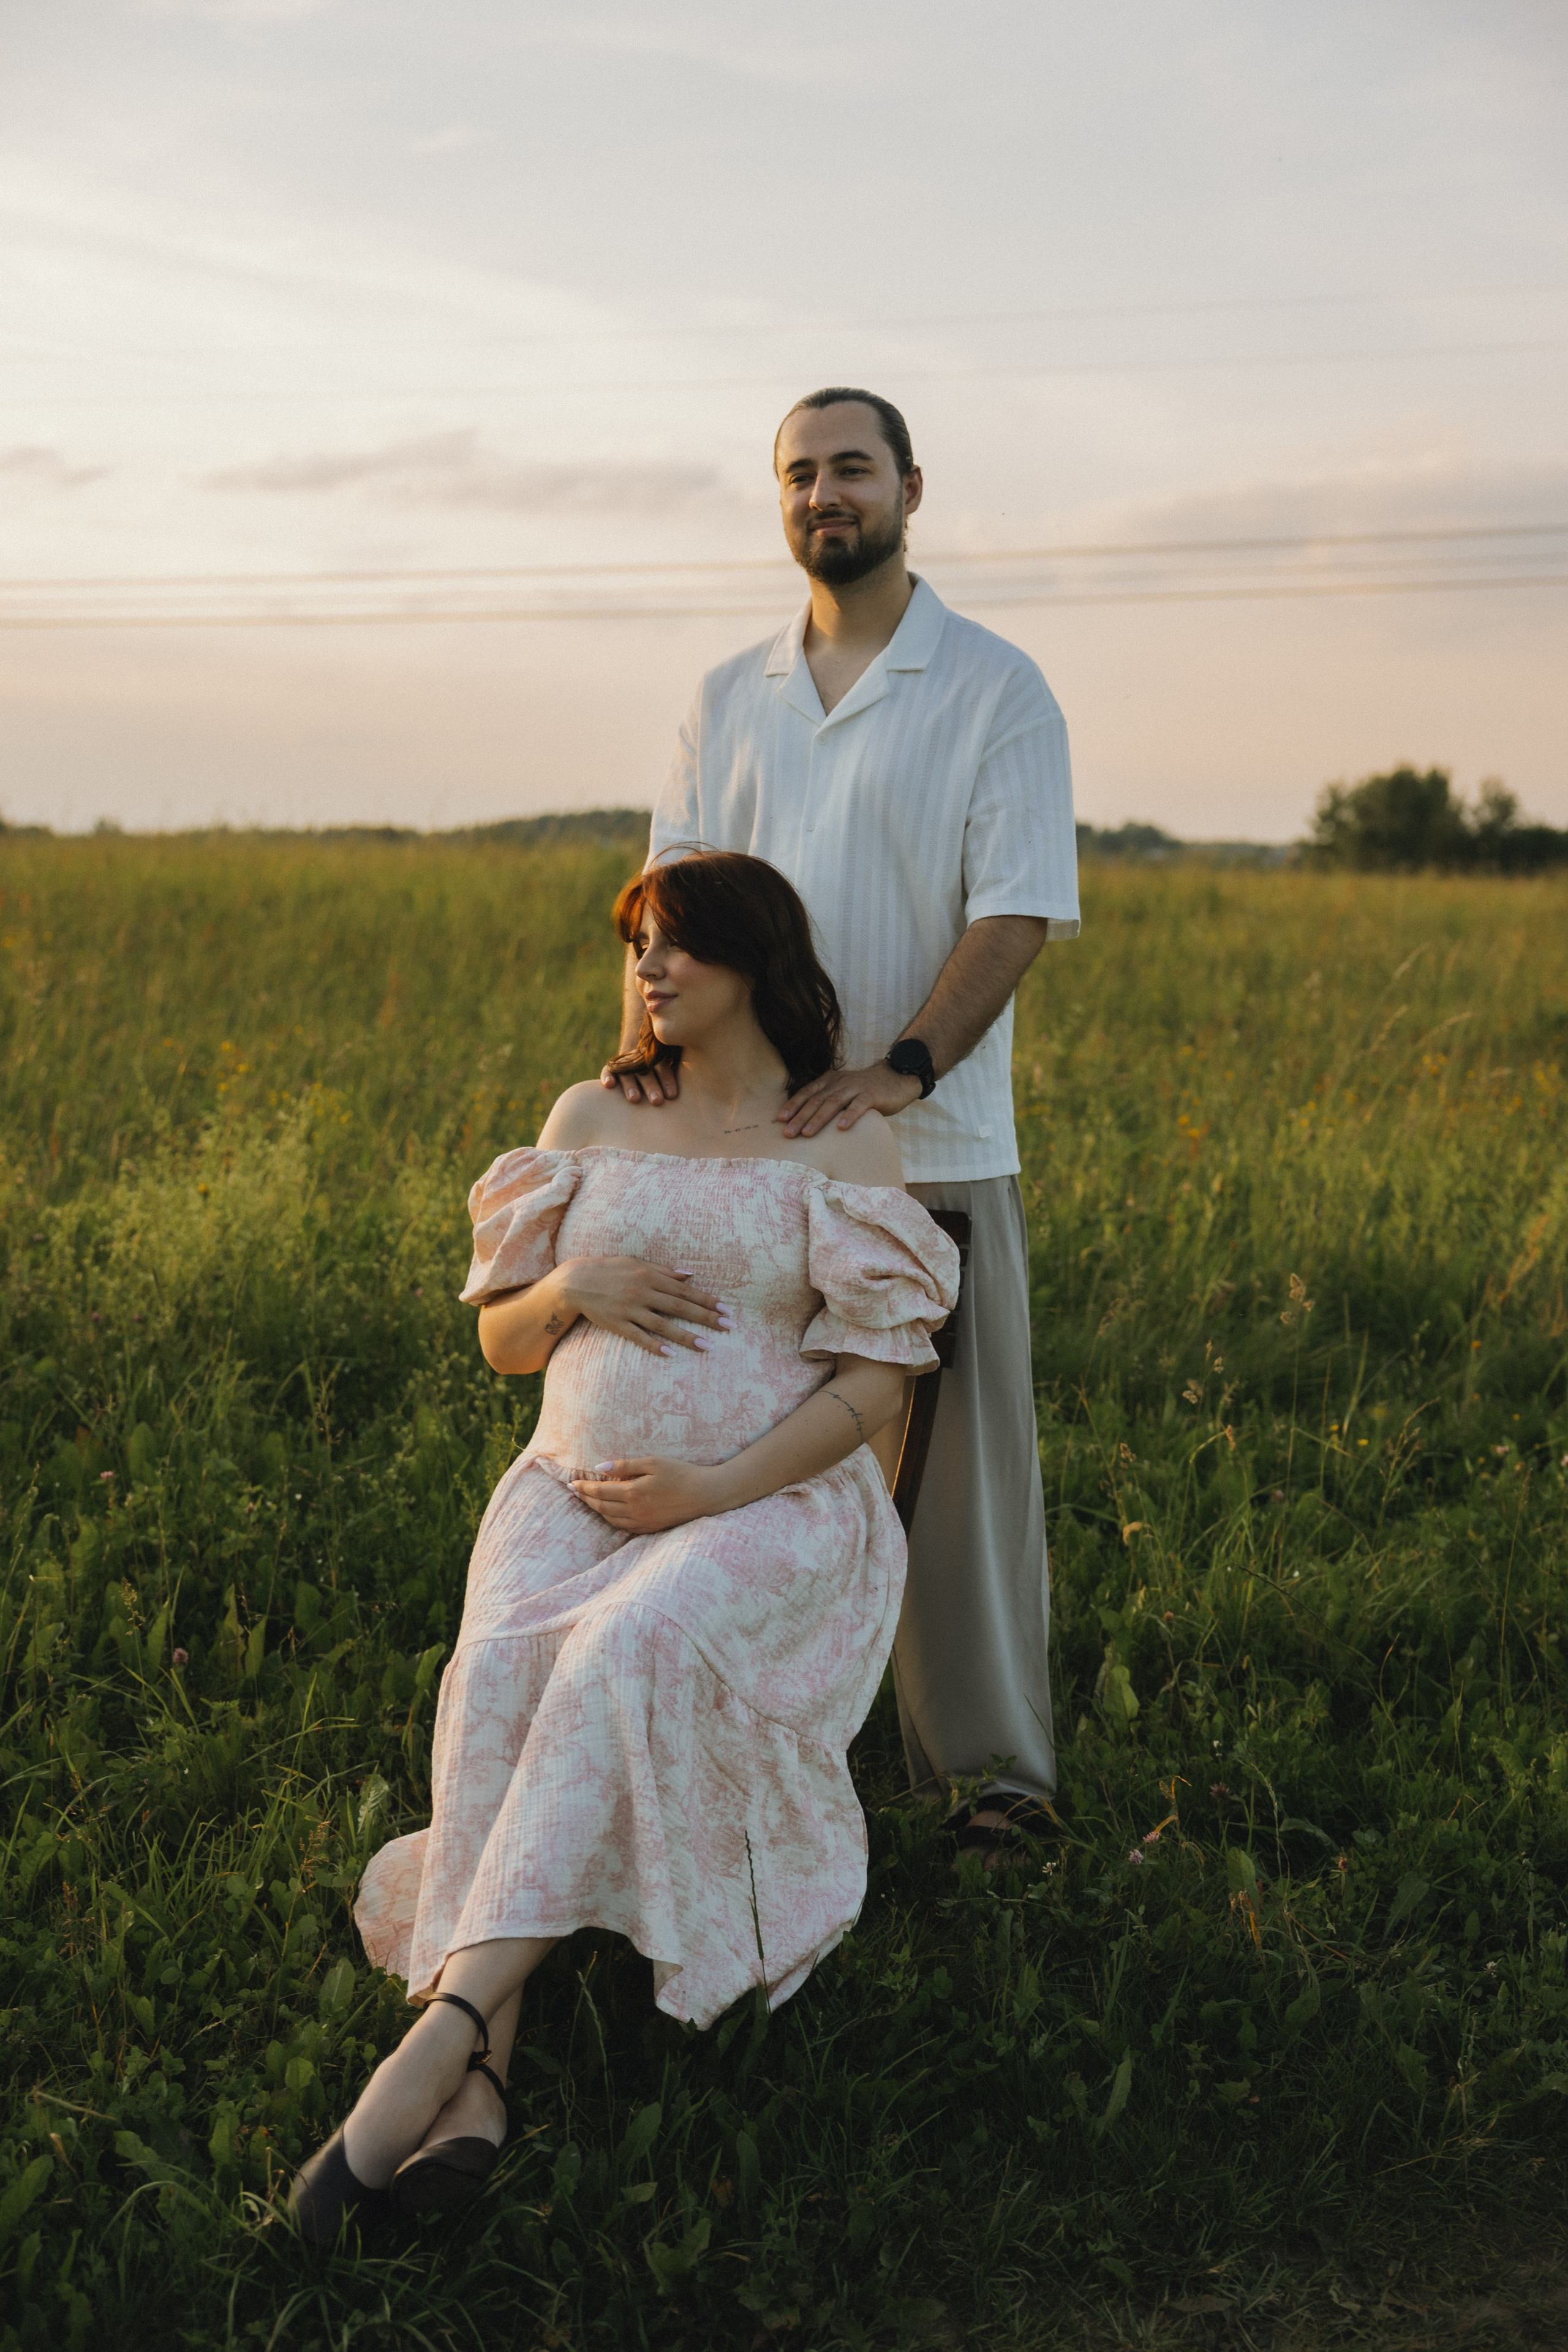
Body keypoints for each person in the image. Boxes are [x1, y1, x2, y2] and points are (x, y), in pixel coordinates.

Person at [287, 850, 957, 2247]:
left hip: (765, 1507)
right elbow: (499, 1343)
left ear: (753, 965)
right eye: (635, 948)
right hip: (564, 1487)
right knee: (496, 1674)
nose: (644, 972)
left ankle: (445, 2027)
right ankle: (479, 2090)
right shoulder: (588, 1114)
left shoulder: (835, 1138)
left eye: (674, 949)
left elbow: (875, 1386)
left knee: (627, 1643)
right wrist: (570, 1286)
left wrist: (711, 1487)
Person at [605, 388, 1079, 1865]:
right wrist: (640, 1076)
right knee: (740, 1437)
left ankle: (995, 1772)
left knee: (947, 1474)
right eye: (799, 473)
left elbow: (1014, 911)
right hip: (737, 1151)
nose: (825, 494)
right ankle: (740, 1734)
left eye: (851, 468)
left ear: (910, 490)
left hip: (923, 1150)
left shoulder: (993, 687)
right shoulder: (723, 693)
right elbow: (665, 911)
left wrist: (906, 1067)